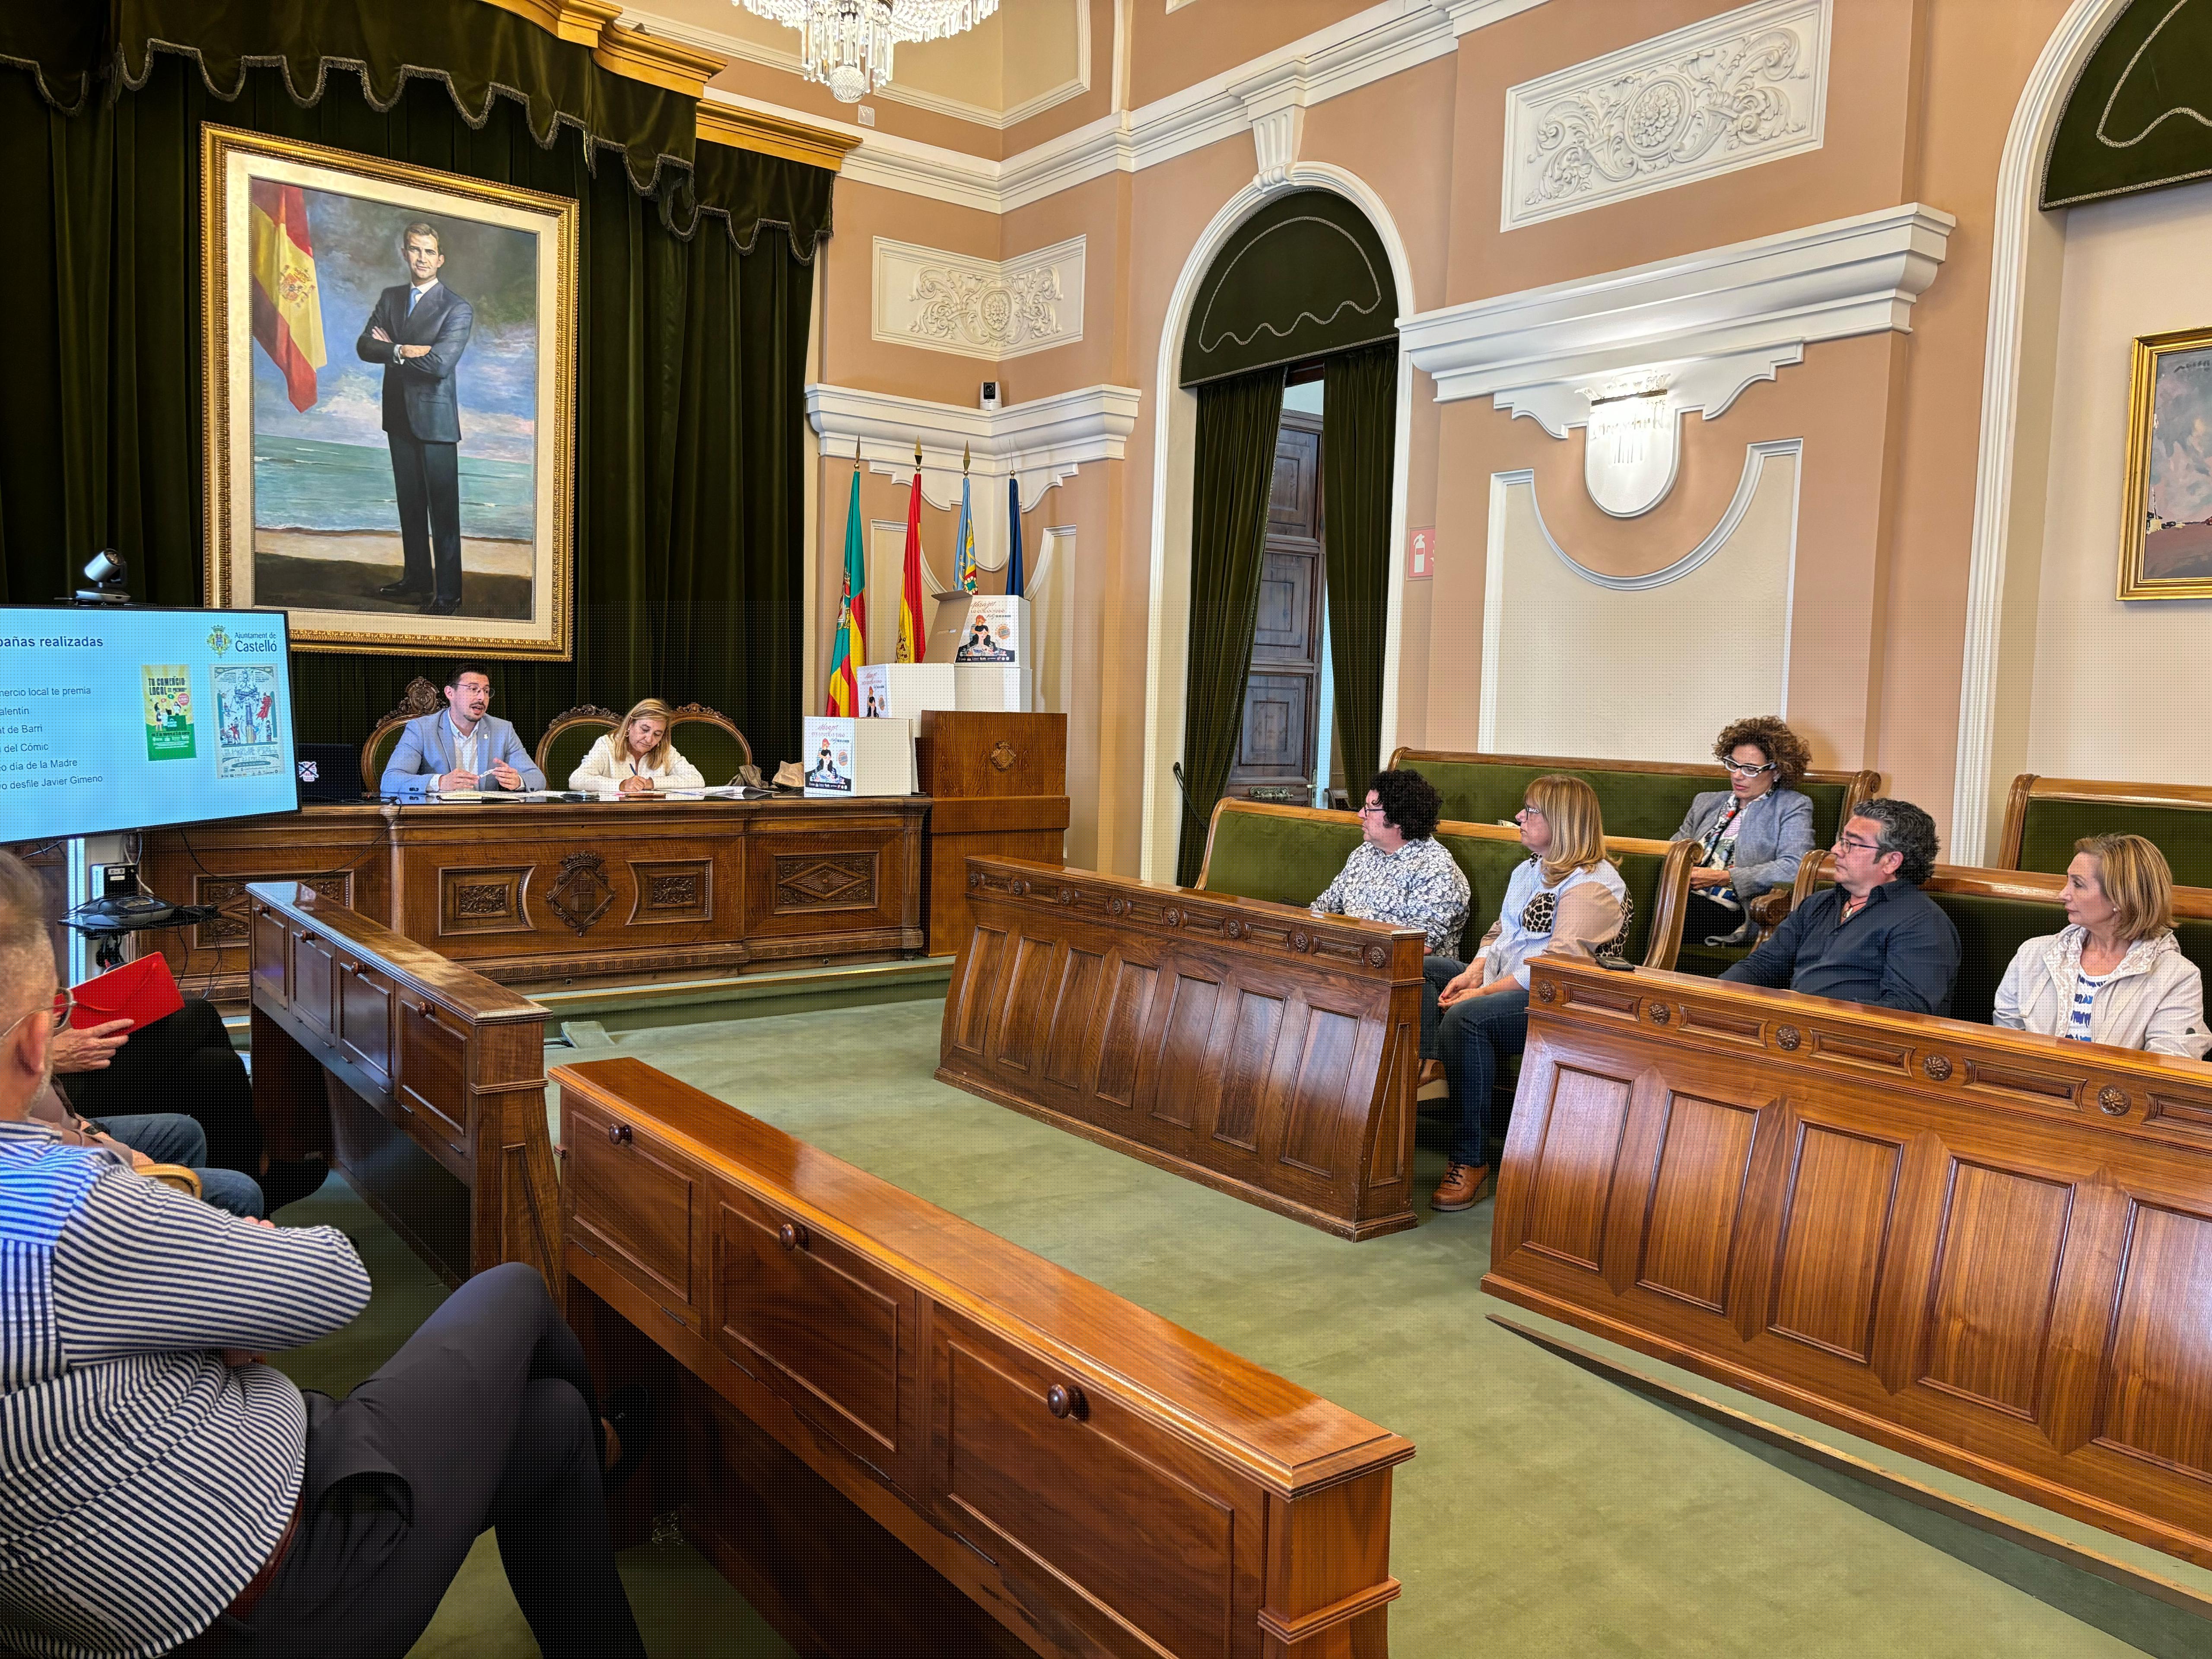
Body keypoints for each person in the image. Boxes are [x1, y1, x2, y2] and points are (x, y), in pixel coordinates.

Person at [0, 849, 648, 1659]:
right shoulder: (64, 1207)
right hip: (268, 1578)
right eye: (60, 1017)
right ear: (36, 1043)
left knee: (551, 1431)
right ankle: (619, 1453)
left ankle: (597, 1455)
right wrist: (229, 1255)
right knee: (515, 1290)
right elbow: (333, 1282)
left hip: (161, 1551)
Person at [1427, 775, 1629, 1213]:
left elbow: (1553, 968)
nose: (1519, 816)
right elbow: (1500, 933)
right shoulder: (1528, 869)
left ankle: (1469, 1159)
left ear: (1562, 822)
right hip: (1506, 981)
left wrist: (1478, 995)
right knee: (1424, 971)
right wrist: (1474, 974)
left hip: (1561, 1000)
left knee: (1466, 1019)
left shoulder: (1593, 885)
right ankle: (1429, 1066)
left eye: (1531, 810)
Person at [47, 991, 327, 1211]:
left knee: (217, 1068)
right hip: (51, 1086)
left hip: (49, 1084)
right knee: (200, 1016)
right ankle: (259, 1174)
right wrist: (48, 1057)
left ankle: (253, 1179)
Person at [1722, 798, 1960, 1014]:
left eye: (1851, 844)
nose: (1836, 851)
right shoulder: (1819, 903)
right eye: (1841, 841)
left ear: (1890, 861)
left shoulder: (1923, 923)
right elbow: (1763, 965)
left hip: (1855, 1047)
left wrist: (1808, 1013)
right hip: (1794, 1031)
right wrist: (1714, 997)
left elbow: (1906, 1012)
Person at [1994, 833, 2210, 1056]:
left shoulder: (2178, 978)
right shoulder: (2032, 954)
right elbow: (2004, 1042)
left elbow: (2166, 1072)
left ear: (2120, 897)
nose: (2063, 894)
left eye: (2078, 884)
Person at [1670, 715, 1818, 945]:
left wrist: (1726, 877)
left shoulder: (1791, 806)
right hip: (1679, 896)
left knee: (1660, 915)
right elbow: (1671, 851)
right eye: (1733, 765)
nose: (1738, 775)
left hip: (1733, 909)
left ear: (1777, 771)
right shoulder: (1706, 802)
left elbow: (1795, 866)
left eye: (1750, 769)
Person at [1309, 769, 1470, 956]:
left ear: (1397, 818)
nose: (1361, 814)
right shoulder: (1364, 853)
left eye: (1369, 808)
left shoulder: (1435, 868)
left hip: (1408, 972)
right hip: (1351, 956)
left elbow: (1419, 947)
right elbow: (1324, 909)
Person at [379, 662, 546, 794]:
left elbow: (538, 779)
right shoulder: (421, 729)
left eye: (486, 691)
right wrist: (440, 782)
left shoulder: (503, 730)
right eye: (474, 689)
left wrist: (518, 781)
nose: (482, 698)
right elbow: (391, 780)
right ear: (450, 693)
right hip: (437, 822)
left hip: (486, 821)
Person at [569, 697, 707, 795]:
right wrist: (622, 785)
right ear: (631, 724)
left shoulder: (665, 750)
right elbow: (577, 780)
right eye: (645, 730)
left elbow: (697, 780)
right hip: (611, 821)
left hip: (655, 820)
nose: (649, 740)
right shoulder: (607, 745)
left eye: (657, 734)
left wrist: (651, 783)